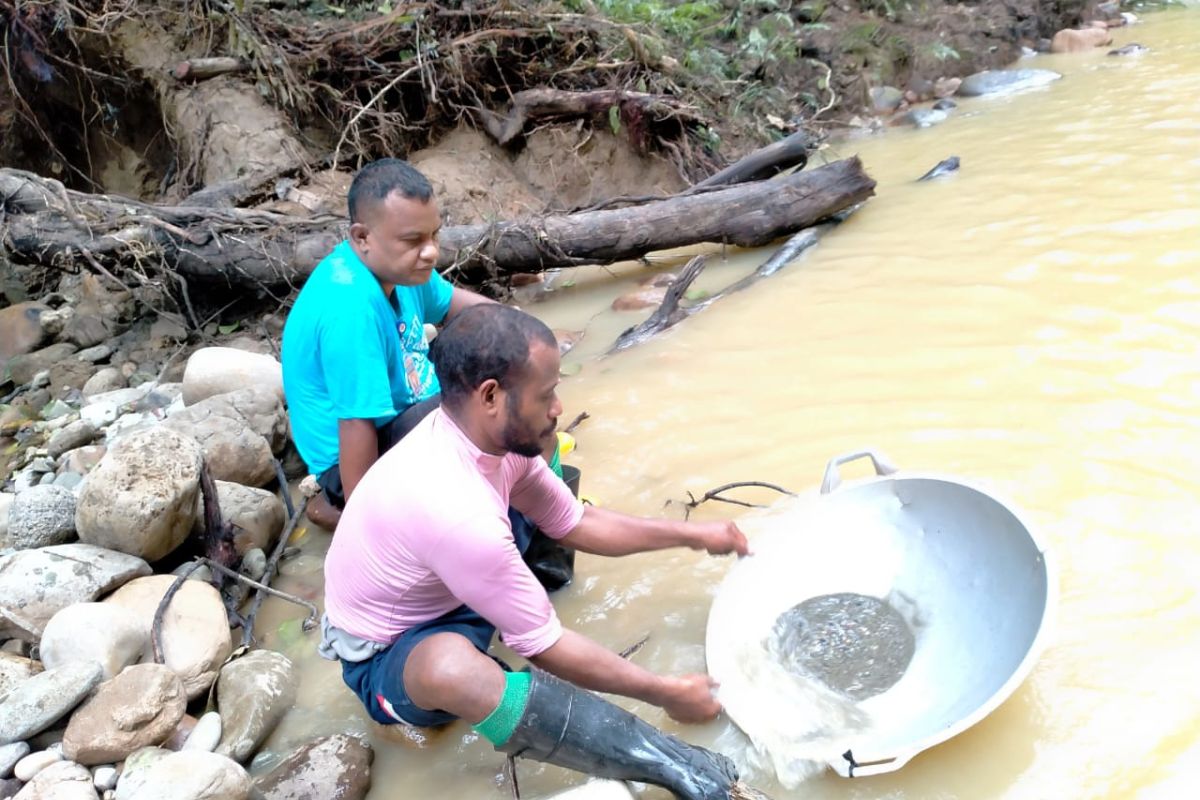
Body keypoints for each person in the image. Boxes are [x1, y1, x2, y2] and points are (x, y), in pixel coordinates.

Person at [319, 304, 751, 800]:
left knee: (551, 488)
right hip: (387, 650)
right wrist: (666, 692)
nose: (558, 409)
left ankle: (513, 611)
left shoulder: (487, 443)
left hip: (453, 583)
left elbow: (576, 520)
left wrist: (693, 535)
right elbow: (545, 644)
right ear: (490, 396)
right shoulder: (456, 509)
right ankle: (674, 764)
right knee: (452, 670)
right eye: (546, 395)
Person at [280, 159, 491, 529]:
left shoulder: (402, 268)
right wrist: (367, 526)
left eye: (434, 236)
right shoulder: (350, 306)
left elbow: (460, 306)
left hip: (405, 410)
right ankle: (341, 507)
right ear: (362, 238)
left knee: (496, 361)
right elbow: (356, 424)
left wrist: (526, 337)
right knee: (482, 411)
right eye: (414, 240)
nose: (430, 252)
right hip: (354, 456)